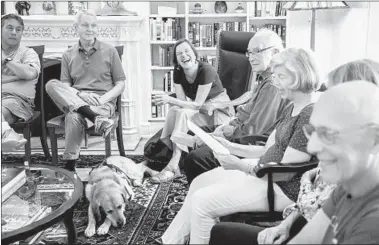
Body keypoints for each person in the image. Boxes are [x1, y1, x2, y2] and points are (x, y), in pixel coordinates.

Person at [160, 47, 322, 244]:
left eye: (281, 77)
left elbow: (284, 172)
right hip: (263, 173)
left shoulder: (309, 114)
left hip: (281, 188)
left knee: (202, 202)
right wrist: (229, 147)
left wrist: (238, 164)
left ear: (297, 77)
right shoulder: (293, 106)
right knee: (199, 183)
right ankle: (170, 241)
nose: (275, 82)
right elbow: (266, 150)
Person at [209, 59, 379, 245]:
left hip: (279, 187)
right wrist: (285, 225)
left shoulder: (370, 219)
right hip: (298, 216)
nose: (313, 148)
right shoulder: (348, 185)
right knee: (220, 231)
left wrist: (306, 182)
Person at [184, 29, 290, 185]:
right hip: (242, 134)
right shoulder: (264, 80)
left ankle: (213, 195)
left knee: (195, 159)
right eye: (249, 53)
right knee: (196, 134)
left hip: (251, 145)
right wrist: (227, 126)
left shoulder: (273, 85)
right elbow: (246, 114)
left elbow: (253, 131)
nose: (251, 58)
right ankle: (208, 184)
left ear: (275, 52)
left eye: (257, 51)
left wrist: (227, 133)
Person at [45, 9, 125, 171]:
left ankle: (69, 166)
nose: (90, 29)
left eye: (93, 25)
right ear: (76, 28)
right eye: (85, 25)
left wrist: (101, 100)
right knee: (51, 84)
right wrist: (81, 95)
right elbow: (64, 87)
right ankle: (95, 118)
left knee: (73, 116)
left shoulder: (110, 51)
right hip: (77, 98)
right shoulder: (68, 54)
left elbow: (120, 84)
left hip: (102, 102)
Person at [149, 38, 234, 183]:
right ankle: (174, 154)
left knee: (181, 112)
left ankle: (173, 164)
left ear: (194, 54)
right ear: (176, 59)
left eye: (187, 51)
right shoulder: (177, 72)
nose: (183, 55)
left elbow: (197, 104)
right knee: (174, 111)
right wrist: (173, 102)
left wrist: (169, 99)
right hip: (202, 110)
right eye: (179, 54)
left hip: (218, 111)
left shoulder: (206, 70)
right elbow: (182, 103)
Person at [1, 14, 40, 152]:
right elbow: (22, 74)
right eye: (10, 28)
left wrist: (6, 60)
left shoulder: (28, 53)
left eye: (18, 29)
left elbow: (29, 73)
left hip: (19, 102)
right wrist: (16, 76)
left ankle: (6, 132)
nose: (14, 32)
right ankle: (5, 133)